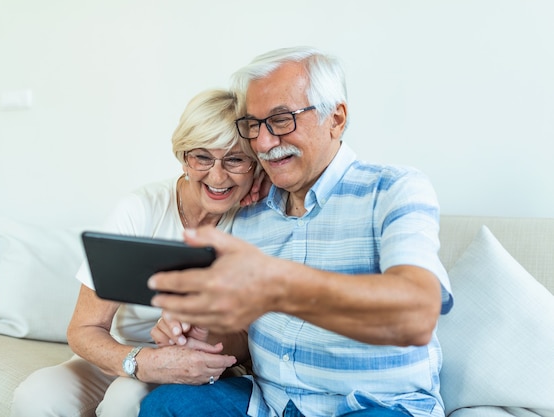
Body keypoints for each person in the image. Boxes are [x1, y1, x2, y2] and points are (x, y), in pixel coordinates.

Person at [139, 46, 454, 417]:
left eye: (282, 119)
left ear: (335, 118)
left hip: (376, 405)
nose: (263, 142)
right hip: (271, 404)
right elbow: (243, 340)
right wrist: (208, 335)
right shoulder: (251, 210)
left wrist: (279, 284)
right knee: (166, 405)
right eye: (253, 125)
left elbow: (416, 316)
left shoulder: (394, 189)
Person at [10, 88, 262, 417]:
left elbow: (246, 339)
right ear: (184, 157)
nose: (217, 176)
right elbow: (84, 328)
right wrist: (140, 362)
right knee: (36, 396)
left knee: (125, 400)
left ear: (255, 164)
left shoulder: (256, 222)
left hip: (198, 359)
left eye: (235, 159)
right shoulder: (140, 209)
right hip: (123, 352)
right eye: (202, 156)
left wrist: (200, 340)